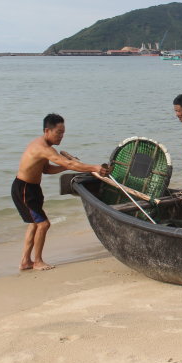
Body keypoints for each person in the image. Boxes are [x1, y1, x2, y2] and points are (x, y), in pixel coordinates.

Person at [12, 113, 109, 271]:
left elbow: (47, 169)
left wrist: (65, 166)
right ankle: (37, 261)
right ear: (47, 131)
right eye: (58, 133)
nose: (61, 136)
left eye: (63, 133)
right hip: (24, 189)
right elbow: (69, 163)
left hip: (32, 188)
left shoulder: (46, 147)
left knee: (34, 225)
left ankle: (25, 261)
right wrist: (93, 168)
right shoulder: (42, 148)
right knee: (43, 224)